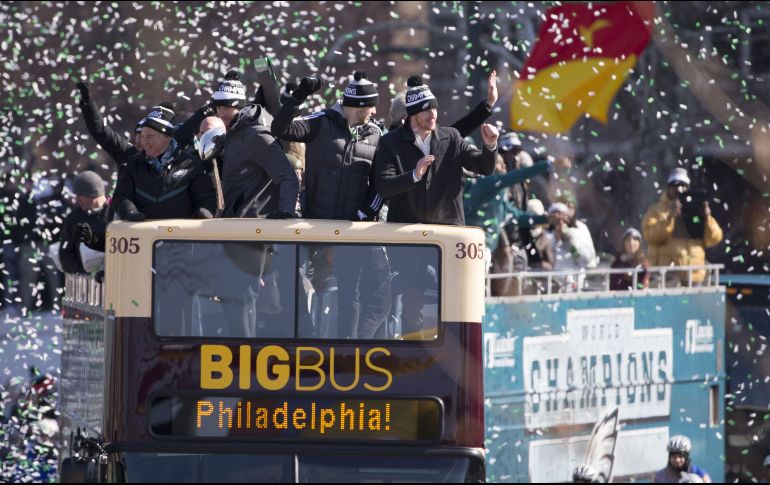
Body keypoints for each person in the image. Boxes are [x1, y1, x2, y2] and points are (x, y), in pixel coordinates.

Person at [375, 75, 498, 336]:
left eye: (435, 108)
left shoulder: (450, 137)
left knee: (455, 304)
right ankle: (414, 361)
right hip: (409, 240)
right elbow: (383, 186)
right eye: (426, 109)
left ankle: (454, 363)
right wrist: (414, 176)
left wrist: (490, 146)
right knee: (412, 308)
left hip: (448, 238)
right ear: (411, 114)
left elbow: (483, 167)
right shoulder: (390, 143)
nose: (433, 114)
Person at [271, 71, 390, 338]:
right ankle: (305, 337)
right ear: (358, 106)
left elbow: (381, 183)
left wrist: (367, 212)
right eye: (370, 105)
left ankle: (345, 353)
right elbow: (279, 129)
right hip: (315, 225)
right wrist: (298, 97)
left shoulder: (376, 134)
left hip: (351, 229)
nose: (373, 111)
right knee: (290, 276)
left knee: (350, 292)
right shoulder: (321, 123)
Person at [212, 70, 299, 218]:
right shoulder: (231, 133)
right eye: (219, 108)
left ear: (238, 106)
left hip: (254, 228)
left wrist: (285, 213)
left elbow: (287, 177)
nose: (222, 113)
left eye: (226, 107)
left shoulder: (257, 135)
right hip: (235, 224)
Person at [111, 104, 217, 221]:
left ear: (166, 136)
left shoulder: (191, 164)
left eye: (150, 136)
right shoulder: (132, 164)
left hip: (181, 234)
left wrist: (204, 212)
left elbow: (206, 196)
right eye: (143, 136)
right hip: (143, 233)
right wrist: (130, 212)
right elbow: (121, 196)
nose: (144, 142)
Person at [642, 168, 723, 286]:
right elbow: (650, 236)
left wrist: (707, 218)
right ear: (668, 188)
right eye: (674, 185)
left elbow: (714, 239)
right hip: (667, 277)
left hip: (694, 276)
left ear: (688, 188)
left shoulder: (697, 209)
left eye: (682, 185)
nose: (678, 189)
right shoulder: (656, 210)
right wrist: (670, 217)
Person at [388, 70, 499, 138]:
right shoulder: (387, 146)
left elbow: (461, 129)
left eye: (434, 109)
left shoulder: (433, 140)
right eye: (425, 111)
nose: (433, 116)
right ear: (407, 117)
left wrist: (489, 102)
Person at [58, 171, 108, 274]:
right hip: (85, 283)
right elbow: (66, 254)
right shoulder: (74, 218)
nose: (77, 201)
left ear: (93, 195)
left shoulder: (114, 214)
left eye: (80, 196)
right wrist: (84, 272)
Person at [546, 202, 597, 291]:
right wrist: (556, 238)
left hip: (575, 286)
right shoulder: (547, 235)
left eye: (563, 216)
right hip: (551, 287)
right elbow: (545, 259)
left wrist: (570, 241)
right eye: (557, 217)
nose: (561, 221)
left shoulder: (578, 231)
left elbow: (586, 258)